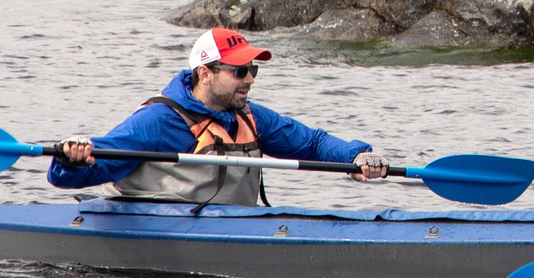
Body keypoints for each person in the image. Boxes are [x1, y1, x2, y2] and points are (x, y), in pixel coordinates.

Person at [50, 28, 384, 205]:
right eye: (239, 71)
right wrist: (74, 159)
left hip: (226, 229)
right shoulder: (158, 120)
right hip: (156, 239)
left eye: (252, 69)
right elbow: (76, 174)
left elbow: (312, 143)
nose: (250, 79)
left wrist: (355, 156)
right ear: (206, 73)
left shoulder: (251, 117)